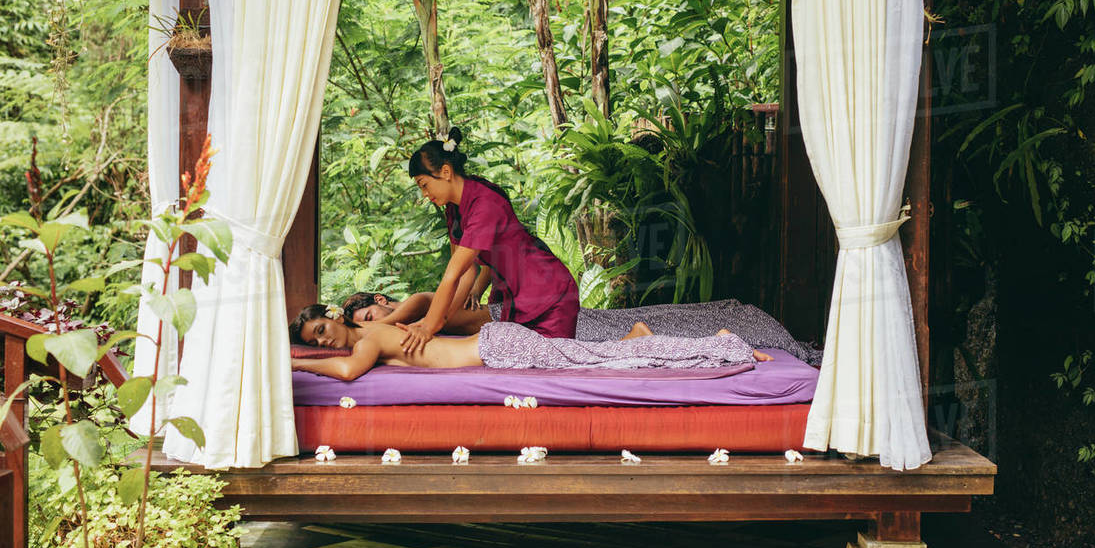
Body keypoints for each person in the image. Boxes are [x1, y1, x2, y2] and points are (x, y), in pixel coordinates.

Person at [398, 127, 579, 353]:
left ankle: (633, 339)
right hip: (515, 299)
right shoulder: (454, 209)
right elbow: (465, 273)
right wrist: (436, 322)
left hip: (549, 294)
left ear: (445, 172)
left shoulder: (484, 204)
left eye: (424, 185)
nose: (424, 194)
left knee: (559, 362)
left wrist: (430, 325)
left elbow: (453, 274)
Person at [289, 304, 771, 382]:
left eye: (321, 331)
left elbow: (351, 371)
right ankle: (642, 338)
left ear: (333, 317)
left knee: (599, 363)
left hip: (501, 348)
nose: (324, 340)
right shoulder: (375, 338)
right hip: (498, 343)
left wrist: (298, 365)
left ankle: (721, 342)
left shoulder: (367, 337)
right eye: (316, 341)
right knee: (596, 359)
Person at [343, 290, 490, 335]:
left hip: (504, 317)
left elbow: (381, 326)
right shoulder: (404, 328)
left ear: (380, 299)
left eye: (369, 317)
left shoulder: (418, 301)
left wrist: (355, 329)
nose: (373, 324)